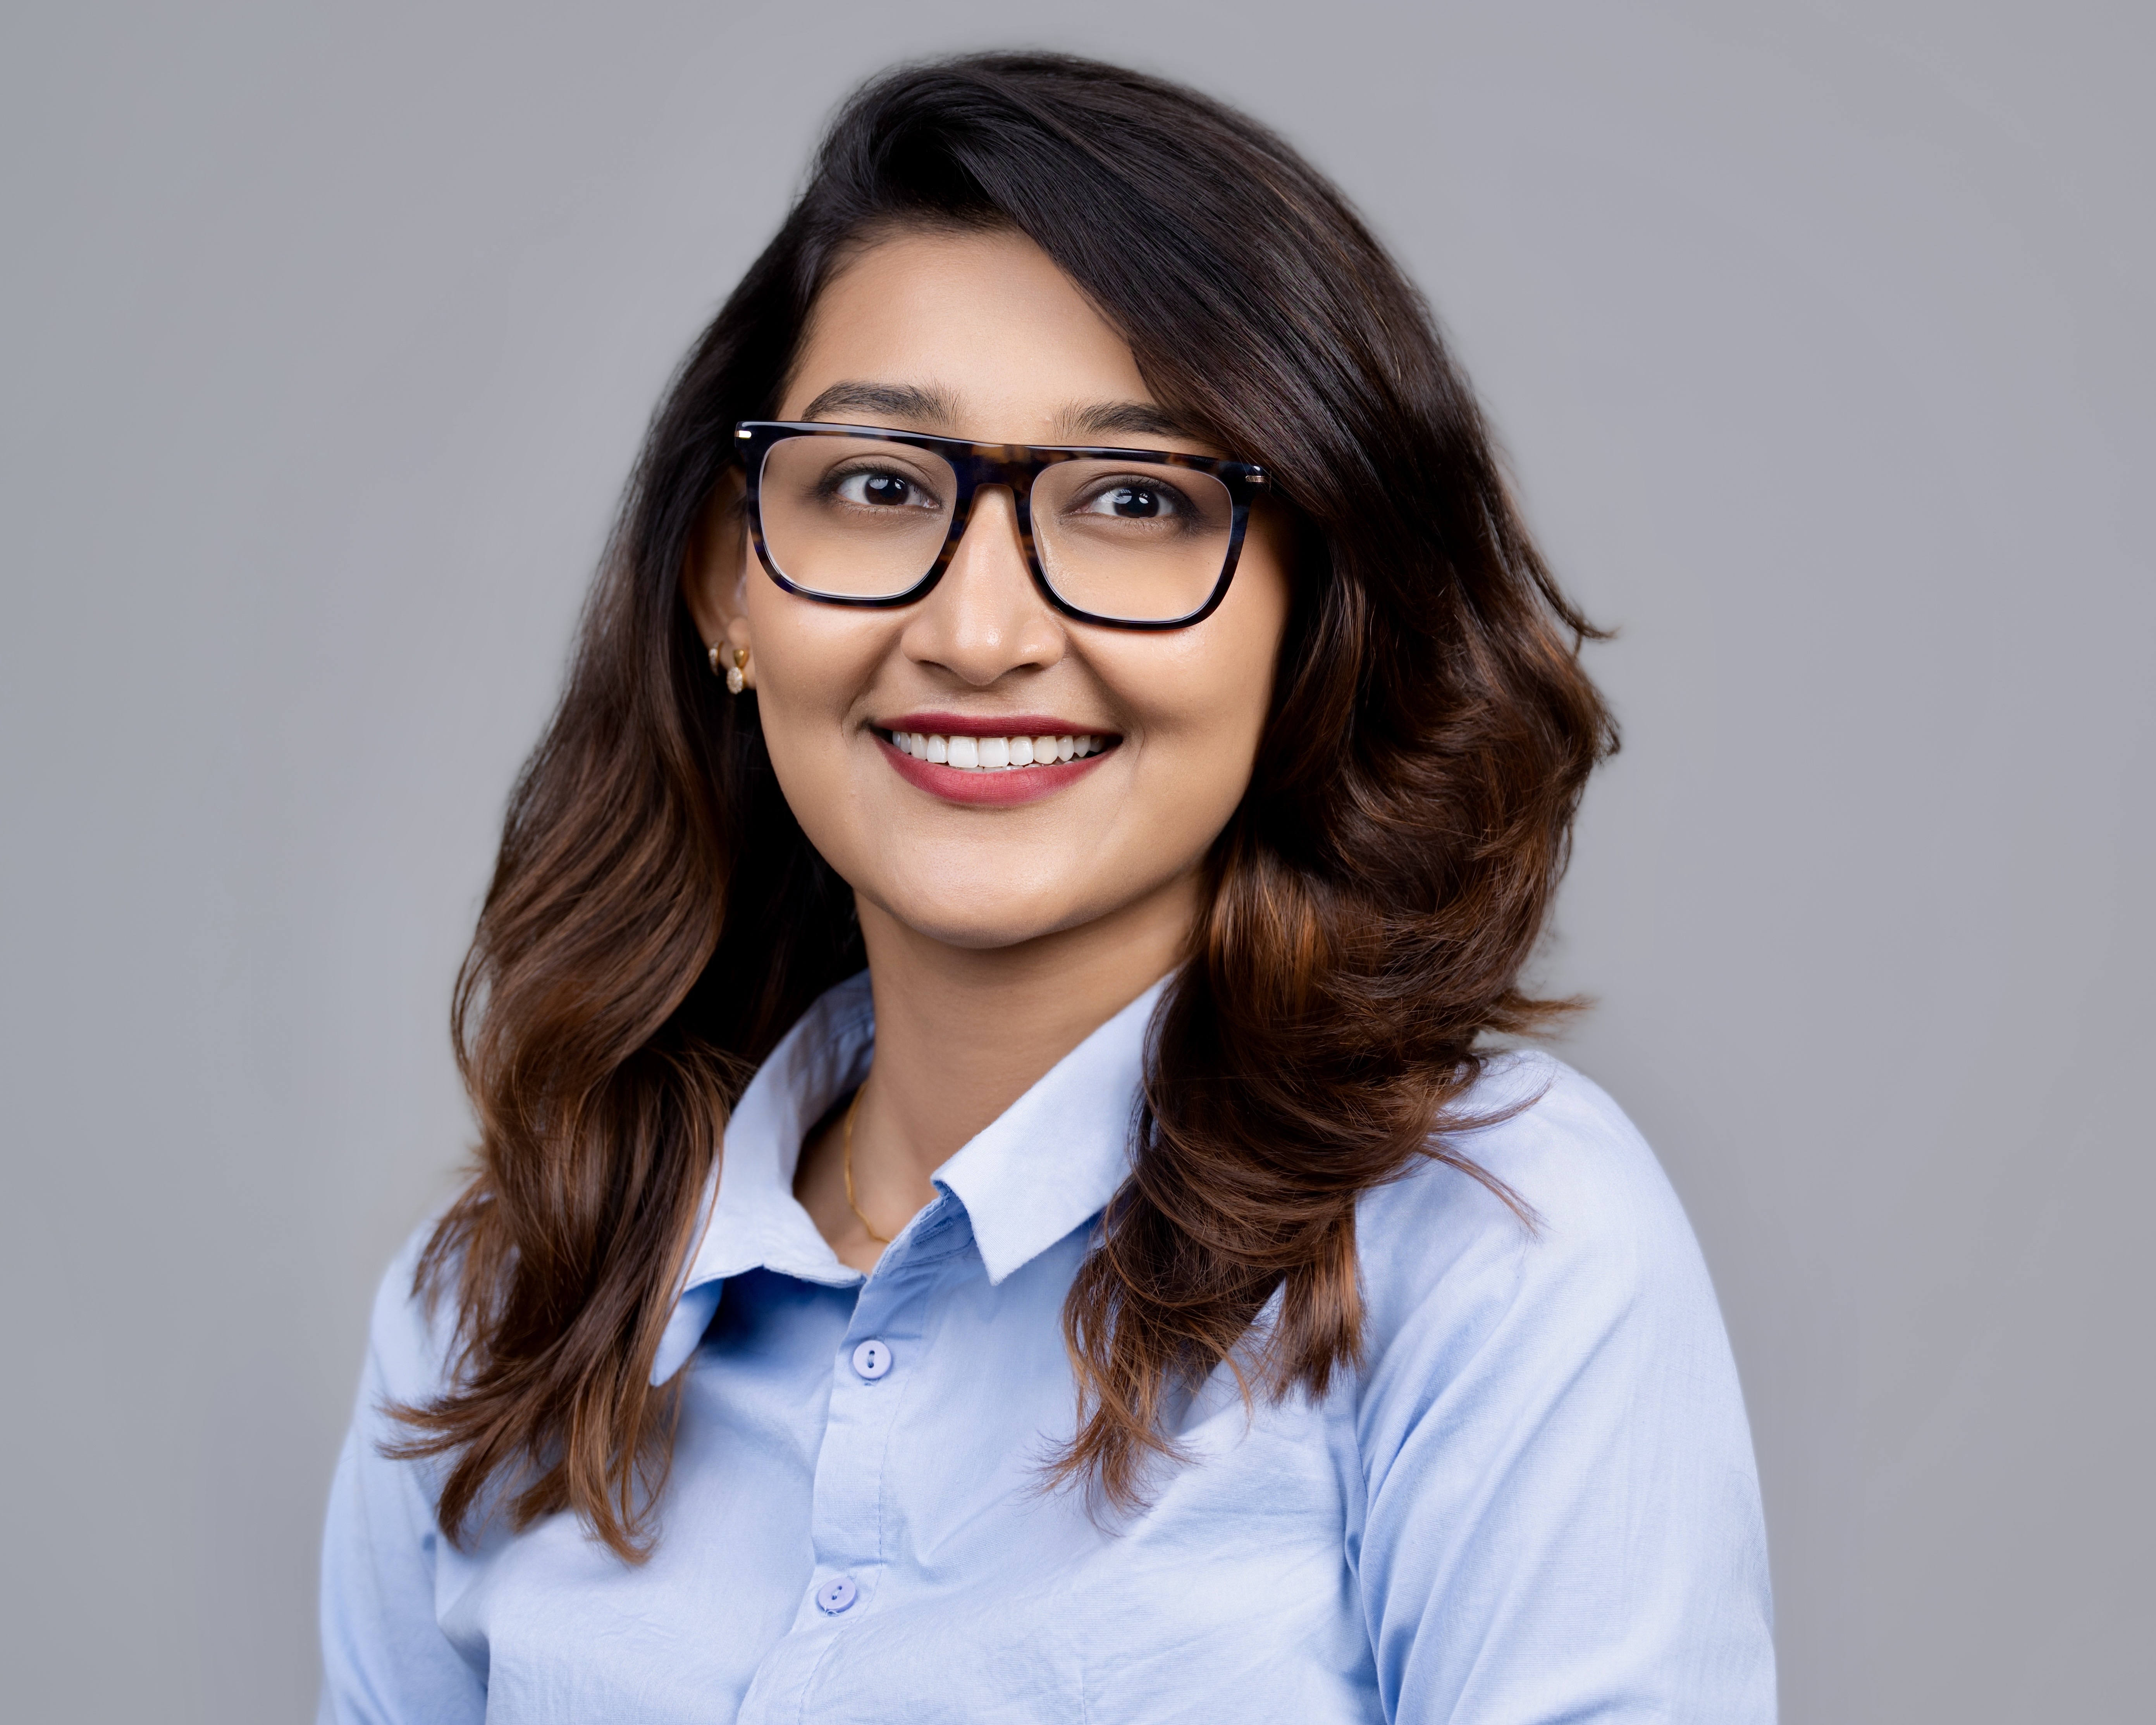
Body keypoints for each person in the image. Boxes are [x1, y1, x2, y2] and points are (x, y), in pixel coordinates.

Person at [318, 51, 1775, 1724]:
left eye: (1136, 501)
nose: (980, 632)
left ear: (1315, 614)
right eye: (879, 486)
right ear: (730, 582)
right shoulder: (494, 1306)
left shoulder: (1500, 1246)